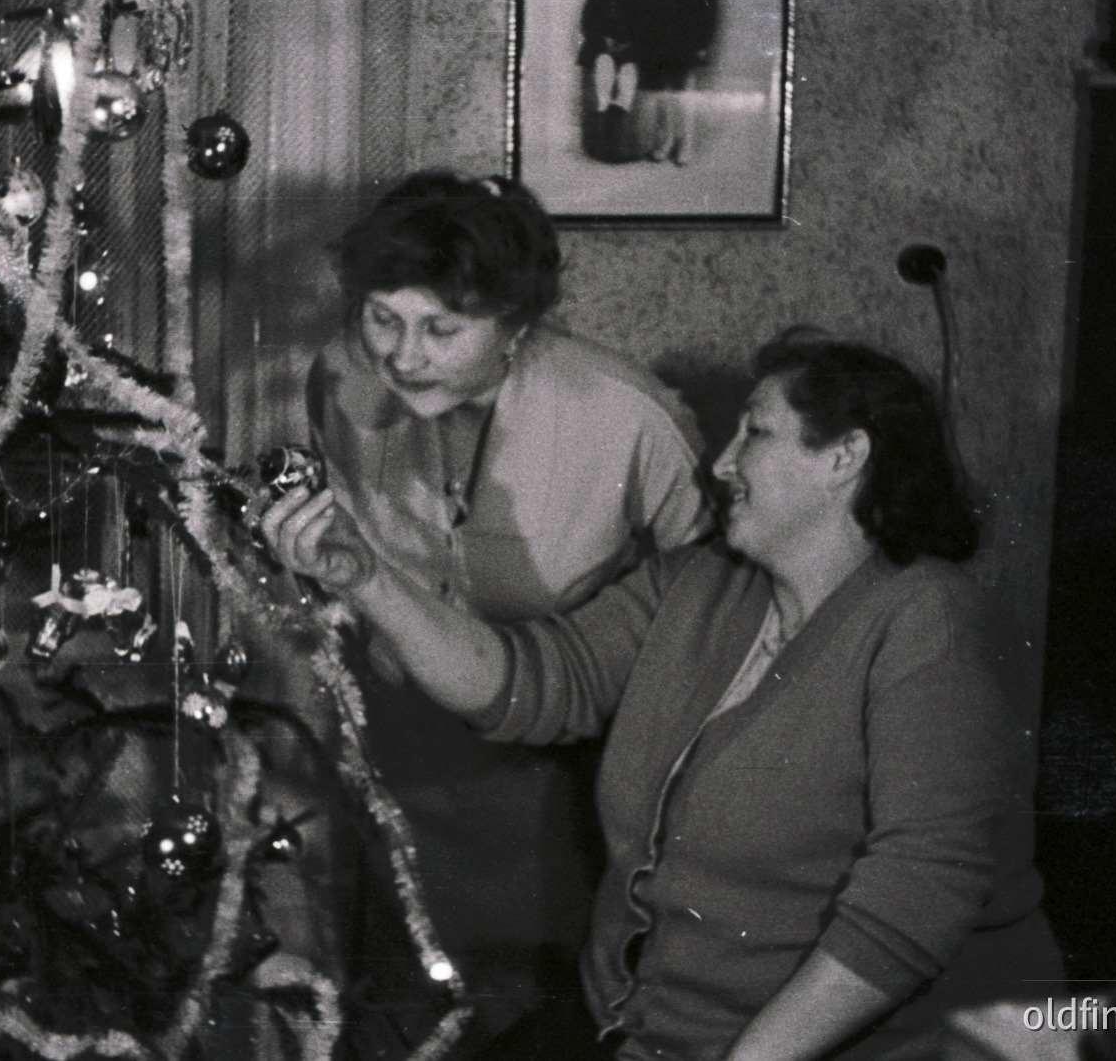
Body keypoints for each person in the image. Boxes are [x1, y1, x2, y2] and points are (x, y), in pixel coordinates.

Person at [270, 330, 1063, 1060]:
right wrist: (366, 575)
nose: (720, 463)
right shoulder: (696, 584)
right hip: (637, 1028)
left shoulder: (929, 619)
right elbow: (524, 681)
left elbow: (917, 895)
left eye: (754, 431)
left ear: (844, 457)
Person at [305, 170, 712, 1052]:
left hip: (559, 793)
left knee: (536, 1022)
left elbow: (710, 621)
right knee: (402, 1010)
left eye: (441, 329)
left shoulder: (628, 416)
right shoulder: (339, 377)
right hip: (400, 762)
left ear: (516, 324)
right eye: (383, 317)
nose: (402, 356)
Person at [627, 0, 719, 165]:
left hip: (686, 41)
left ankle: (685, 144)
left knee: (683, 93)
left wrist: (702, 43)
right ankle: (665, 142)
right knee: (661, 94)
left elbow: (709, 10)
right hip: (656, 41)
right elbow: (635, 3)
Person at [578, 0, 640, 162]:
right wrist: (604, 42)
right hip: (600, 53)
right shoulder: (594, 1)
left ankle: (617, 146)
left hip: (625, 54)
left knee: (628, 81)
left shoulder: (632, 2)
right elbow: (588, 27)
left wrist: (626, 45)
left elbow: (639, 29)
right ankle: (600, 147)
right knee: (603, 83)